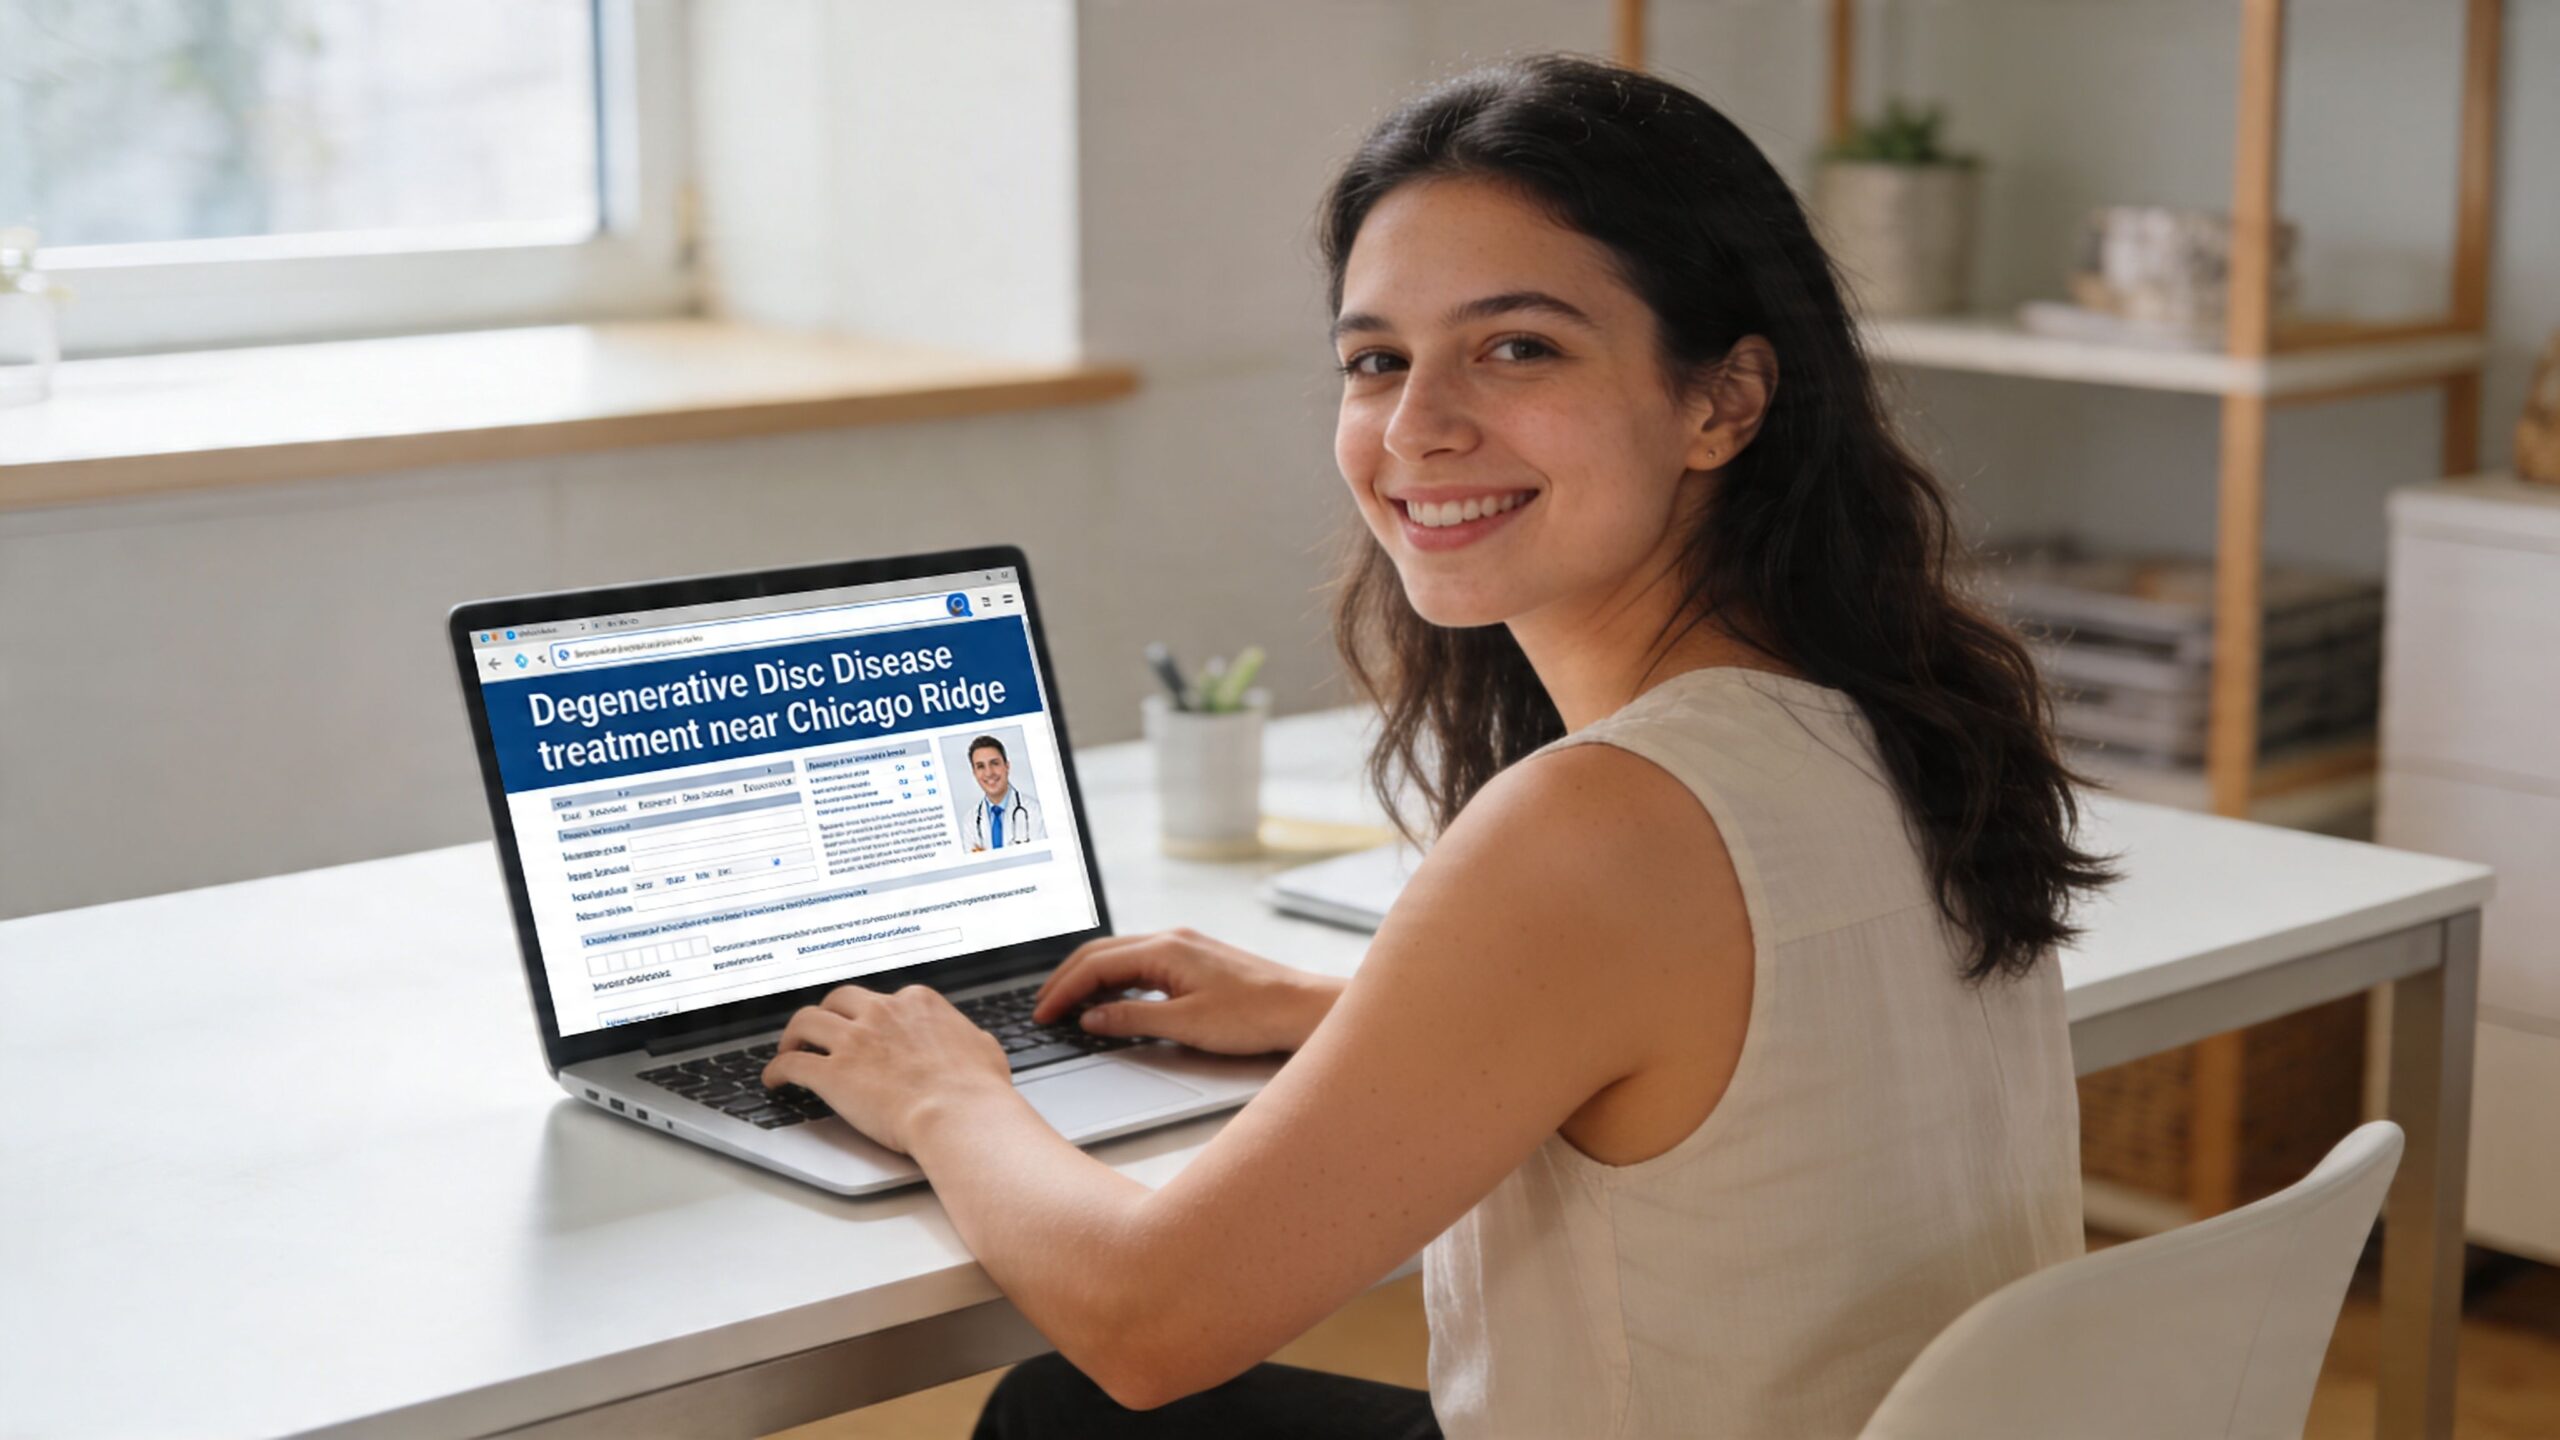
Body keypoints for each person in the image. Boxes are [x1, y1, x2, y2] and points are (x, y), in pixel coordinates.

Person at [761, 55, 2119, 1439]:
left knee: (1072, 1413)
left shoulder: (1605, 823)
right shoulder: (1898, 708)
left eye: (1518, 347)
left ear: (1722, 401)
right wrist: (1352, 1014)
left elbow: (1146, 1320)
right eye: (1377, 361)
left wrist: (947, 1094)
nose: (1417, 428)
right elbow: (1747, 1061)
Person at [964, 735, 1045, 850]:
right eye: (981, 766)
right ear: (974, 773)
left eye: (994, 763)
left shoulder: (1035, 812)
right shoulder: (970, 821)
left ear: (1007, 766)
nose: (989, 773)